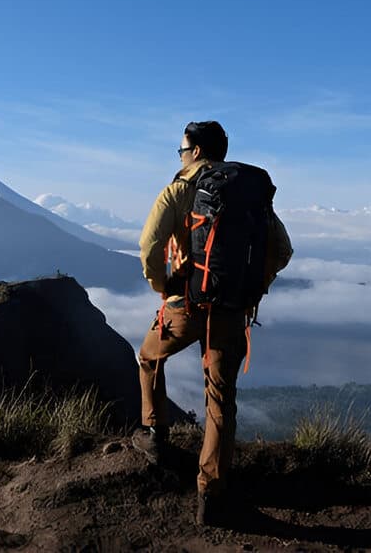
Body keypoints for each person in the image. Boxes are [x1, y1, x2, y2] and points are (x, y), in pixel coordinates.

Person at [131, 121, 292, 527]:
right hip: (231, 309)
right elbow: (283, 249)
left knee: (149, 357)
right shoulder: (249, 194)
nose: (181, 155)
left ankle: (153, 434)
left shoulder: (183, 187)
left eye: (183, 149)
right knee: (220, 398)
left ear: (198, 150)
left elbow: (149, 242)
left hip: (185, 302)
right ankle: (211, 496)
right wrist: (254, 286)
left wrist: (161, 286)